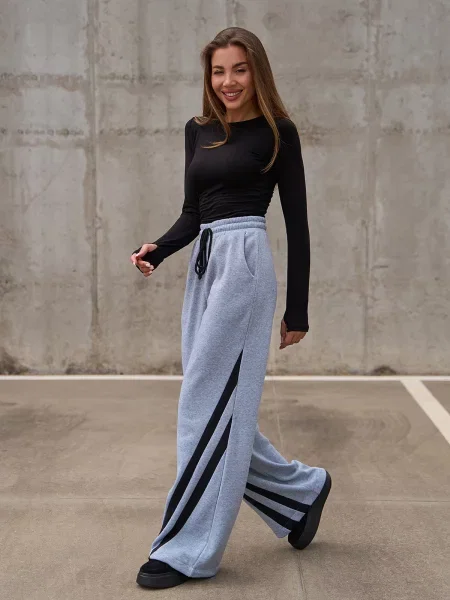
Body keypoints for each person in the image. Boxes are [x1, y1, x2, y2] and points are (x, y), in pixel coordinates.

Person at [130, 27, 331, 590]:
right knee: (218, 406)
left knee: (202, 405)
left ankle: (187, 550)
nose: (228, 81)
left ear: (256, 71)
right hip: (204, 266)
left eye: (239, 69)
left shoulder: (278, 132)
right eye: (219, 71)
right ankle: (301, 493)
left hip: (245, 267)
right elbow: (193, 212)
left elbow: (298, 223)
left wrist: (298, 310)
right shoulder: (197, 130)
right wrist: (159, 249)